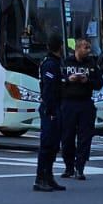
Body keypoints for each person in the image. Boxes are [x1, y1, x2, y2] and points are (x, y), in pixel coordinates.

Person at [58, 37, 103, 181]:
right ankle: (68, 167)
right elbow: (58, 80)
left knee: (85, 138)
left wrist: (87, 81)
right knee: (67, 137)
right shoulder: (66, 62)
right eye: (86, 47)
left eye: (89, 48)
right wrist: (68, 79)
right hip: (68, 103)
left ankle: (80, 168)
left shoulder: (92, 64)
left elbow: (99, 83)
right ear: (78, 48)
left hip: (85, 103)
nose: (88, 51)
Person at [33, 34, 67, 192]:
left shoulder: (57, 63)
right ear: (60, 46)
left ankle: (49, 176)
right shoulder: (49, 64)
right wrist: (51, 110)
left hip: (56, 107)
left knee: (54, 145)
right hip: (50, 109)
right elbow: (48, 88)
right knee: (47, 144)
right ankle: (40, 179)